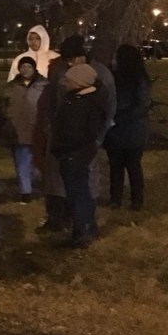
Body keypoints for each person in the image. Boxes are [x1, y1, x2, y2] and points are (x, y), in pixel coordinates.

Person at [50, 63, 107, 249]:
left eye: (69, 80)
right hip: (76, 152)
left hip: (74, 153)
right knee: (79, 191)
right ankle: (87, 227)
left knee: (77, 193)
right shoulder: (79, 99)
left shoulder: (81, 104)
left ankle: (83, 231)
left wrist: (62, 147)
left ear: (79, 83)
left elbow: (74, 132)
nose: (64, 82)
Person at [0, 56, 48, 203]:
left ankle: (43, 187)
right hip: (18, 130)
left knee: (39, 162)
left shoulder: (44, 85)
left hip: (39, 129)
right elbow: (2, 107)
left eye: (29, 67)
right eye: (23, 67)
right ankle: (26, 191)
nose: (26, 69)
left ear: (34, 68)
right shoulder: (11, 87)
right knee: (22, 161)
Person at [103, 44, 151, 210]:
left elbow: (142, 104)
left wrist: (119, 117)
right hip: (121, 129)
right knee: (117, 166)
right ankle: (116, 198)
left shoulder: (137, 79)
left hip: (130, 129)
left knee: (132, 165)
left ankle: (135, 200)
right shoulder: (116, 77)